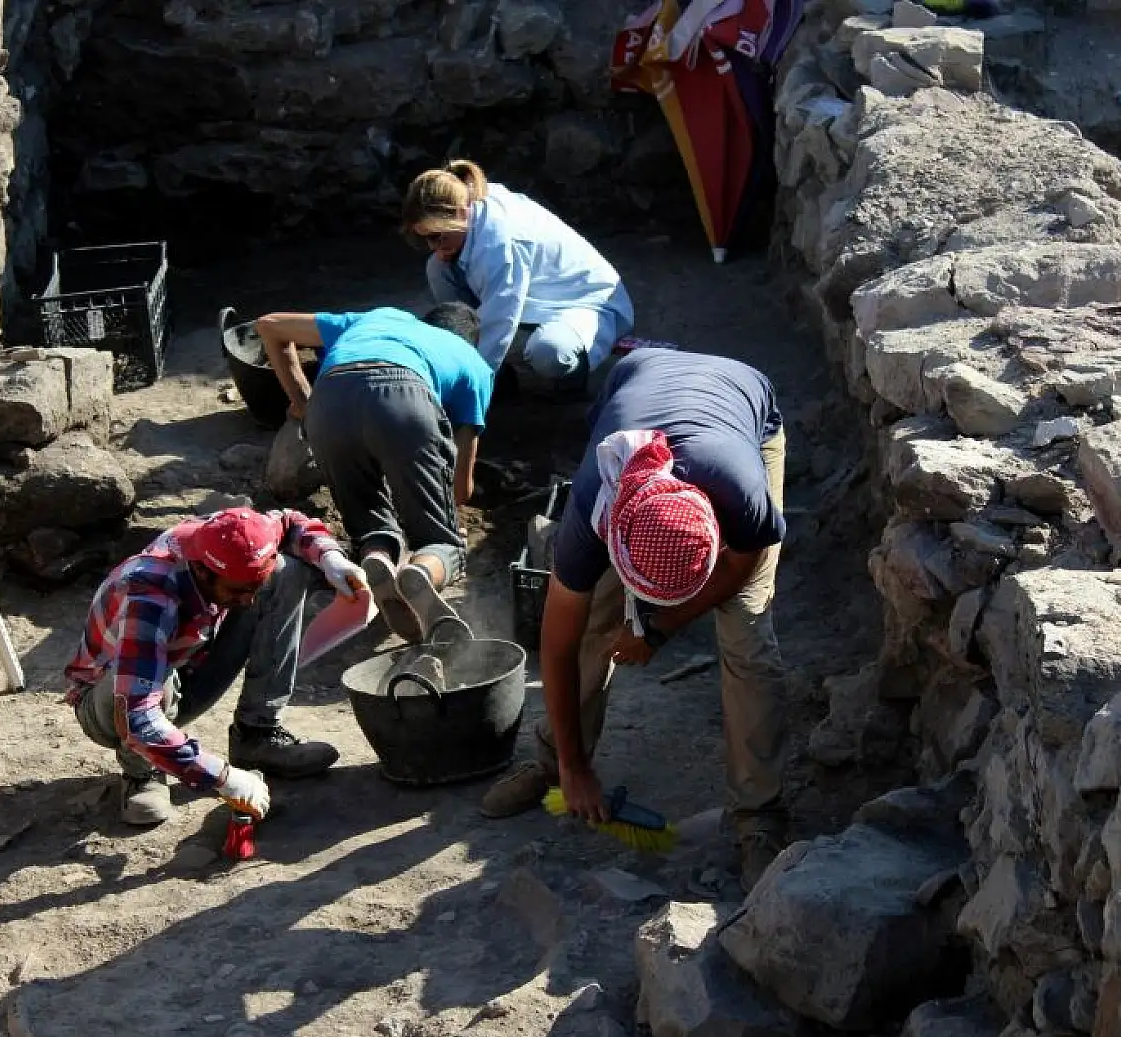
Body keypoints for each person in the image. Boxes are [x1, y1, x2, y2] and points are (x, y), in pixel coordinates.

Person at [479, 348, 790, 891]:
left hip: (743, 406)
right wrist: (576, 769)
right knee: (593, 619)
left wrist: (660, 626)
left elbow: (743, 566)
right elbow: (555, 648)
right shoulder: (591, 509)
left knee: (746, 637)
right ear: (617, 536)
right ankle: (556, 763)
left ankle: (756, 814)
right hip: (640, 381)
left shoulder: (744, 492)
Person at [63, 506, 368, 826]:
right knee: (152, 679)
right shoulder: (149, 596)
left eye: (254, 588)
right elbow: (137, 714)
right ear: (203, 571)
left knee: (287, 571)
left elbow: (291, 522)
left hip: (189, 659)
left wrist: (331, 557)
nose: (250, 602)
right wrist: (221, 777)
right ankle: (142, 772)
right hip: (112, 701)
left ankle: (257, 734)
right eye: (238, 590)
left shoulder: (234, 538)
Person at [254, 303, 490, 643]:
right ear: (469, 341)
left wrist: (303, 402)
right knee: (441, 541)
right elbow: (461, 488)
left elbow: (269, 323)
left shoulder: (377, 319)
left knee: (370, 527)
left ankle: (378, 558)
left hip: (330, 401)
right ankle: (422, 571)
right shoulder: (474, 365)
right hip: (404, 398)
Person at [400, 159, 635, 396]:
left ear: (462, 213)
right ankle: (501, 380)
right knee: (438, 268)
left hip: (587, 303)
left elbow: (500, 320)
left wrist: (470, 391)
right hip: (535, 298)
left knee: (549, 352)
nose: (433, 245)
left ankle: (571, 383)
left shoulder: (500, 242)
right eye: (426, 238)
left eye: (439, 236)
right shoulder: (468, 197)